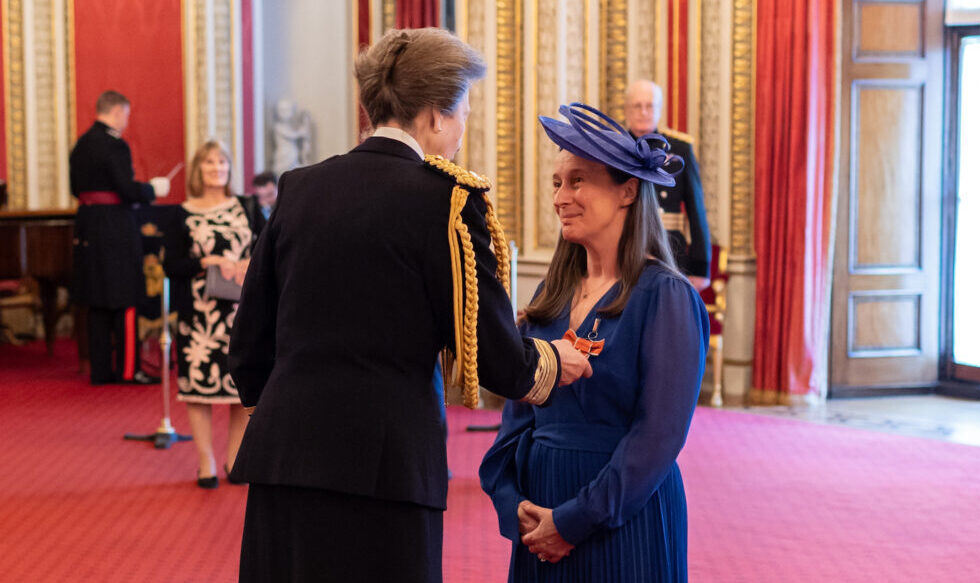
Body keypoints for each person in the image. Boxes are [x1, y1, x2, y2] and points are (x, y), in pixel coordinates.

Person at [227, 28, 592, 583]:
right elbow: (493, 355)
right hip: (387, 468)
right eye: (464, 111)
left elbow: (249, 342)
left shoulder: (299, 187)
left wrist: (290, 421)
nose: (463, 128)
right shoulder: (447, 200)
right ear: (436, 115)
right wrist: (551, 362)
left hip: (284, 458)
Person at [480, 103, 710, 582]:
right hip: (539, 515)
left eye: (578, 180)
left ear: (627, 190)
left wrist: (573, 521)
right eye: (557, 182)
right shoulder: (551, 294)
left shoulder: (666, 297)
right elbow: (518, 415)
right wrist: (512, 501)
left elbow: (658, 437)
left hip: (622, 517)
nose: (561, 196)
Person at [161, 140, 265, 489]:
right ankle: (205, 461)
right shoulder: (182, 213)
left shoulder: (247, 207)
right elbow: (171, 265)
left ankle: (235, 458)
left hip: (242, 312)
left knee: (239, 387)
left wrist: (250, 263)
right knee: (198, 389)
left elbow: (269, 248)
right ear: (197, 169)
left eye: (222, 162)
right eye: (209, 162)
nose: (216, 168)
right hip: (199, 315)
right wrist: (207, 261)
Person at [69, 90, 170, 385]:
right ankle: (128, 370)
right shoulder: (115, 146)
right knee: (126, 297)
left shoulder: (80, 145)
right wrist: (152, 189)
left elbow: (77, 189)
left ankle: (100, 371)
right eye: (126, 114)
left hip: (87, 225)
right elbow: (127, 190)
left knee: (97, 299)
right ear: (115, 112)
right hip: (115, 227)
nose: (126, 121)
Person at [624, 79, 711, 290]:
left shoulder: (679, 149)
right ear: (627, 109)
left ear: (659, 109)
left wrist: (701, 267)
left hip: (669, 249)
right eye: (637, 105)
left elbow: (696, 208)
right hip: (624, 246)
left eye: (650, 105)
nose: (644, 112)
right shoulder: (616, 147)